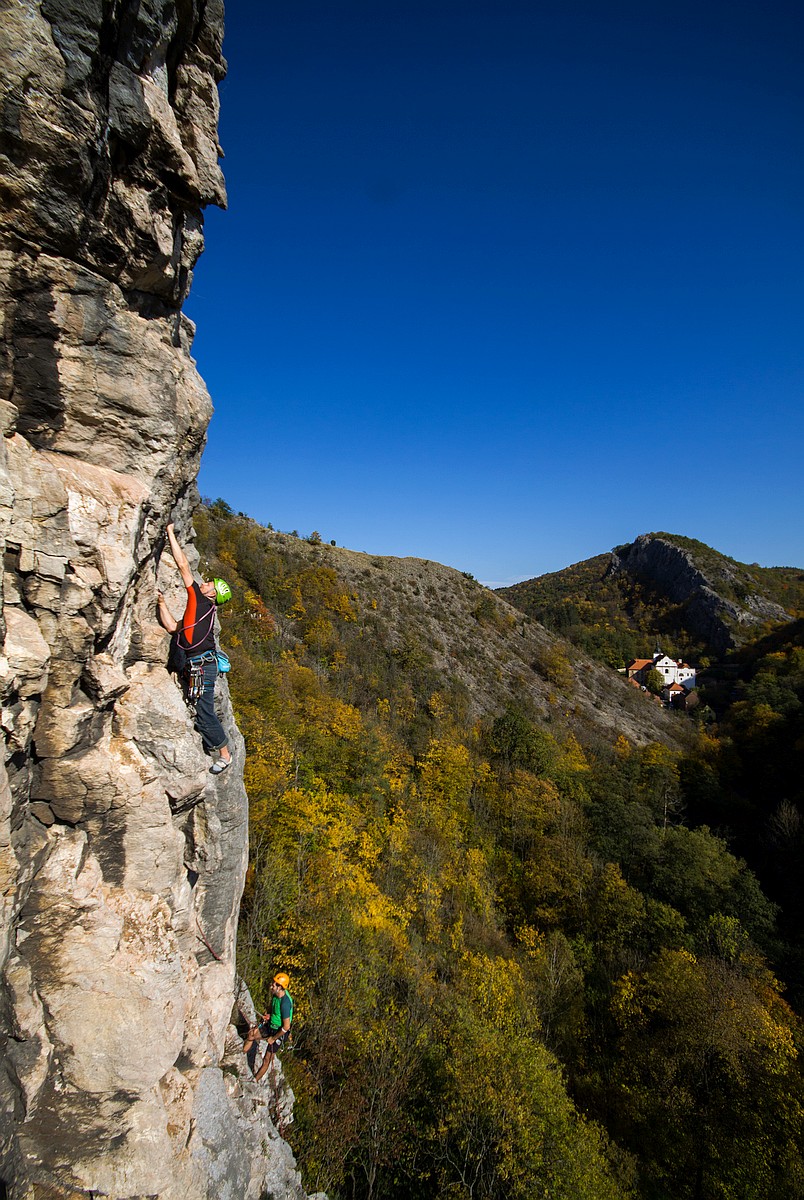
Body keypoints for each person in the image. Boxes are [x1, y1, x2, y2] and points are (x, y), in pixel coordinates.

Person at [157, 522, 233, 774]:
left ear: (212, 594)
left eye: (209, 583)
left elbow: (183, 566)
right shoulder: (199, 610)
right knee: (201, 710)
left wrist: (169, 533)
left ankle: (224, 754)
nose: (204, 582)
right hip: (199, 665)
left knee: (204, 711)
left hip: (203, 665)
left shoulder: (199, 600)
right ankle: (220, 749)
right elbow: (172, 627)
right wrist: (160, 602)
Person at [243, 972, 294, 1082]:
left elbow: (286, 1026)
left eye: (274, 984)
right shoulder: (276, 995)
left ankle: (254, 1081)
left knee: (267, 1060)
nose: (271, 985)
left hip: (279, 1032)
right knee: (251, 1034)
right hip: (271, 1025)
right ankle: (241, 1055)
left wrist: (274, 1038)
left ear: (280, 987)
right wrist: (268, 1015)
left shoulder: (285, 1003)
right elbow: (273, 1009)